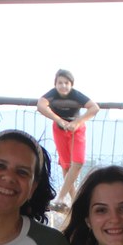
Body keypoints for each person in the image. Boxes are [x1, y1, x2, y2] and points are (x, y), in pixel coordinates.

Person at [36, 69, 100, 210]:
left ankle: (60, 197)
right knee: (66, 166)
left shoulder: (76, 95)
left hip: (77, 130)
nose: (63, 86)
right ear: (55, 84)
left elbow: (94, 108)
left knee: (77, 163)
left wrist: (77, 122)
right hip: (60, 130)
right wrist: (58, 120)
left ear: (71, 84)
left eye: (66, 83)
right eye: (60, 83)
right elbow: (41, 105)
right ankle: (75, 201)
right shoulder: (52, 94)